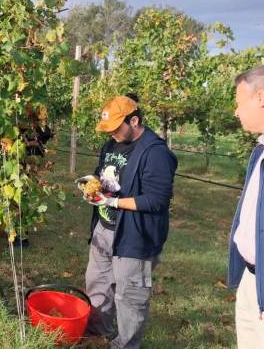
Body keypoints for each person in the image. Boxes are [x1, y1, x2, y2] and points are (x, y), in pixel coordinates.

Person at [75, 93, 177, 349]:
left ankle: (126, 345)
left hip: (134, 236)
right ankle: (97, 336)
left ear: (134, 121)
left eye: (115, 127)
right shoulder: (111, 145)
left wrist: (112, 203)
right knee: (98, 285)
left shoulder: (156, 153)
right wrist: (92, 184)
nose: (111, 133)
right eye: (108, 129)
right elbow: (104, 176)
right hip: (104, 229)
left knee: (130, 298)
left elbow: (156, 200)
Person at [228, 65, 264, 347]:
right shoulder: (260, 151)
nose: (236, 112)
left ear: (260, 97)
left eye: (239, 103)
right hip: (251, 280)